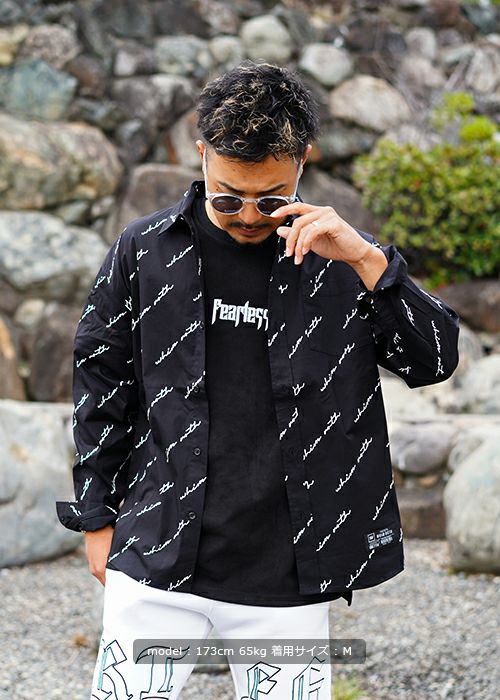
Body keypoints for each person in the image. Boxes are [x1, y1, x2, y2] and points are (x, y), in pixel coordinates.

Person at [56, 61, 461, 699]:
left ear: (303, 161)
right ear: (201, 156)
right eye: (226, 197)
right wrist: (96, 519)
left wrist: (366, 260)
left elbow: (434, 359)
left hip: (288, 573)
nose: (248, 215)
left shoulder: (341, 258)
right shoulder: (145, 250)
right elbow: (100, 384)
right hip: (157, 554)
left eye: (270, 200)